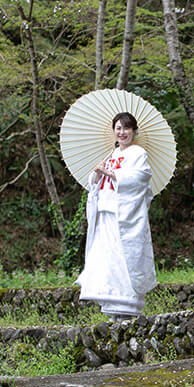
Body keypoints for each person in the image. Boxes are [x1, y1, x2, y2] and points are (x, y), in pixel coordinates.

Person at [76, 112, 157, 318]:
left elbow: (141, 178)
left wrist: (113, 174)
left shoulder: (138, 153)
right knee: (107, 259)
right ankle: (111, 305)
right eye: (118, 128)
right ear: (113, 131)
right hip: (106, 214)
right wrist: (96, 173)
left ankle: (128, 305)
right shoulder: (111, 154)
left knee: (123, 257)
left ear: (134, 132)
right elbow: (96, 183)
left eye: (126, 128)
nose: (122, 132)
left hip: (124, 216)